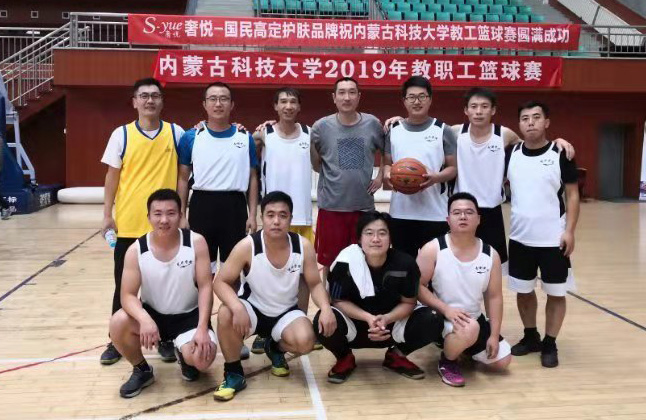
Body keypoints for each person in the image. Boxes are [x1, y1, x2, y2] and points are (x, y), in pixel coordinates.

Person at [212, 191, 336, 401]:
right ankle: (233, 373)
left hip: (286, 313)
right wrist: (237, 306)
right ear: (262, 218)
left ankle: (274, 348)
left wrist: (325, 308)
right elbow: (220, 282)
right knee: (225, 313)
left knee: (306, 341)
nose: (276, 221)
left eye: (282, 215)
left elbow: (315, 283)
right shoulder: (247, 246)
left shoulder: (303, 246)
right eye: (270, 215)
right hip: (252, 309)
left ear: (290, 218)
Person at [100, 78, 185, 365]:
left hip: (166, 227)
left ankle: (167, 337)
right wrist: (107, 215)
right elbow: (112, 177)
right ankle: (116, 339)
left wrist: (183, 213)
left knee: (167, 287)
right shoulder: (121, 134)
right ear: (135, 101)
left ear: (162, 101)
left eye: (155, 96)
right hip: (129, 225)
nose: (150, 100)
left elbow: (184, 176)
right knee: (123, 286)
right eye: (144, 95)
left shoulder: (176, 133)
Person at [108, 189, 217, 398]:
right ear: (148, 217)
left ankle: (185, 356)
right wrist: (144, 319)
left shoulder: (196, 242)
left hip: (189, 317)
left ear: (181, 215)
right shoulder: (136, 250)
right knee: (118, 322)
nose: (164, 220)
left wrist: (202, 327)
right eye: (157, 214)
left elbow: (205, 286)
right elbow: (127, 295)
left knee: (203, 360)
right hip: (153, 316)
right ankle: (142, 369)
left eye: (171, 213)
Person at [452, 88, 574, 273]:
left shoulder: (504, 134)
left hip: (492, 211)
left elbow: (531, 146)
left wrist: (557, 141)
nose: (478, 111)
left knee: (493, 268)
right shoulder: (455, 132)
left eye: (484, 106)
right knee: (458, 264)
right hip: (461, 209)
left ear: (493, 110)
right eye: (474, 106)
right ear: (465, 110)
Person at [315, 211, 444, 384]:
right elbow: (338, 301)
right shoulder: (344, 263)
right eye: (369, 233)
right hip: (355, 325)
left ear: (390, 238)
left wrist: (386, 319)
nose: (375, 239)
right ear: (359, 239)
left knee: (434, 318)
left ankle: (396, 356)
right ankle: (344, 357)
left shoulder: (405, 264)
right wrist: (368, 318)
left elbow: (409, 302)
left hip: (390, 326)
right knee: (322, 320)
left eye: (382, 233)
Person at [505, 101, 580, 368]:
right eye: (525, 118)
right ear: (519, 124)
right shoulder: (511, 153)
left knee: (556, 293)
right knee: (523, 292)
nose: (531, 122)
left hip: (553, 239)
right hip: (519, 238)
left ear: (546, 122)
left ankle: (550, 342)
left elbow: (572, 195)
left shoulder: (561, 153)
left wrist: (570, 231)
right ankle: (531, 336)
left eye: (536, 117)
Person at [251, 87, 321, 354]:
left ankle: (299, 320)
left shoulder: (309, 134)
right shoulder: (264, 134)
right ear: (275, 106)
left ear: (299, 107)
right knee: (266, 274)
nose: (288, 106)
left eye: (293, 101)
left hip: (302, 214)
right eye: (283, 101)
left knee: (303, 276)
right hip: (274, 218)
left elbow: (318, 165)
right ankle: (263, 331)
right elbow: (241, 145)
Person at [417, 192, 512, 387]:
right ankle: (447, 361)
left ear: (478, 219)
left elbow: (494, 297)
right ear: (448, 219)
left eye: (469, 212)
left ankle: (462, 345)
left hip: (472, 318)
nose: (463, 216)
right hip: (439, 316)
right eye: (457, 213)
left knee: (502, 361)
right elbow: (416, 287)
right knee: (470, 328)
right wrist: (446, 309)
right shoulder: (433, 249)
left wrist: (494, 335)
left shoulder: (491, 254)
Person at [177, 82, 259, 274]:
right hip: (202, 206)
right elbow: (182, 179)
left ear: (232, 104)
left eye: (224, 99)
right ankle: (204, 296)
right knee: (203, 268)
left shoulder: (244, 137)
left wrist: (253, 215)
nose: (218, 103)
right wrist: (181, 214)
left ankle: (232, 296)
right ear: (204, 104)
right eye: (213, 99)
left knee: (235, 268)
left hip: (235, 207)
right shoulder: (191, 137)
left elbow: (253, 178)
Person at [310, 77, 385, 280]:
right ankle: (328, 297)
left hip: (363, 206)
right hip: (331, 206)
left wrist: (380, 176)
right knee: (329, 261)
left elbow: (387, 151)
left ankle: (363, 297)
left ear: (359, 97)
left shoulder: (372, 124)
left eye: (352, 92)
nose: (347, 97)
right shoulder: (320, 127)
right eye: (341, 92)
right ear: (334, 97)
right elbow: (316, 163)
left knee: (365, 258)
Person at [383, 76, 457, 258]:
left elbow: (453, 169)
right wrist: (387, 174)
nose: (417, 101)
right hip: (401, 213)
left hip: (435, 214)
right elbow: (387, 164)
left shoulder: (443, 130)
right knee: (403, 268)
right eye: (411, 97)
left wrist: (435, 177)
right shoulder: (394, 129)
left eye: (422, 96)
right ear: (404, 101)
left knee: (434, 269)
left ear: (430, 99)